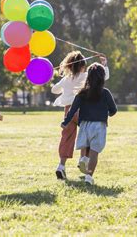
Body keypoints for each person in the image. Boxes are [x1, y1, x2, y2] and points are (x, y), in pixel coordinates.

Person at [51, 51, 109, 180]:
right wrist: (104, 64)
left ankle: (61, 166)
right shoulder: (86, 76)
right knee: (88, 135)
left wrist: (65, 86)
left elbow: (54, 89)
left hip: (68, 111)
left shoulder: (66, 79)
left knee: (66, 138)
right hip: (83, 110)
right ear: (83, 66)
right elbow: (104, 77)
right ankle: (83, 159)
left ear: (69, 66)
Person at [61, 63, 117, 185]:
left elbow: (73, 110)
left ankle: (83, 159)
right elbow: (114, 110)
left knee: (86, 146)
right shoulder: (106, 93)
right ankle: (89, 176)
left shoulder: (81, 93)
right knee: (94, 152)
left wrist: (65, 122)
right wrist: (107, 113)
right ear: (102, 78)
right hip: (99, 125)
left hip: (85, 125)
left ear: (88, 77)